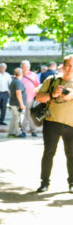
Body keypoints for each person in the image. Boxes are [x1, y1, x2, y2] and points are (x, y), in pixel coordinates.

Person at [34, 55, 73, 193]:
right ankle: (44, 183)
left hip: (71, 124)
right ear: (63, 66)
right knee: (48, 153)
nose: (70, 68)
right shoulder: (52, 80)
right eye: (67, 65)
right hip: (51, 123)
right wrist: (52, 94)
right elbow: (39, 97)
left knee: (71, 155)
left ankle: (72, 183)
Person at [20, 60, 40, 137]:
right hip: (21, 99)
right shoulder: (19, 75)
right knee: (23, 116)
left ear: (29, 67)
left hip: (32, 98)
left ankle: (33, 130)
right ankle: (23, 131)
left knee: (31, 115)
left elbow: (38, 85)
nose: (25, 68)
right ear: (21, 67)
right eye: (23, 66)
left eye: (27, 66)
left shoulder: (33, 75)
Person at [7, 68, 27, 138]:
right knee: (18, 119)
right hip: (17, 104)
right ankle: (18, 133)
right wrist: (21, 104)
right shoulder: (18, 82)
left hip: (13, 102)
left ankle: (11, 132)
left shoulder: (13, 81)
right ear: (21, 74)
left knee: (14, 118)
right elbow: (18, 92)